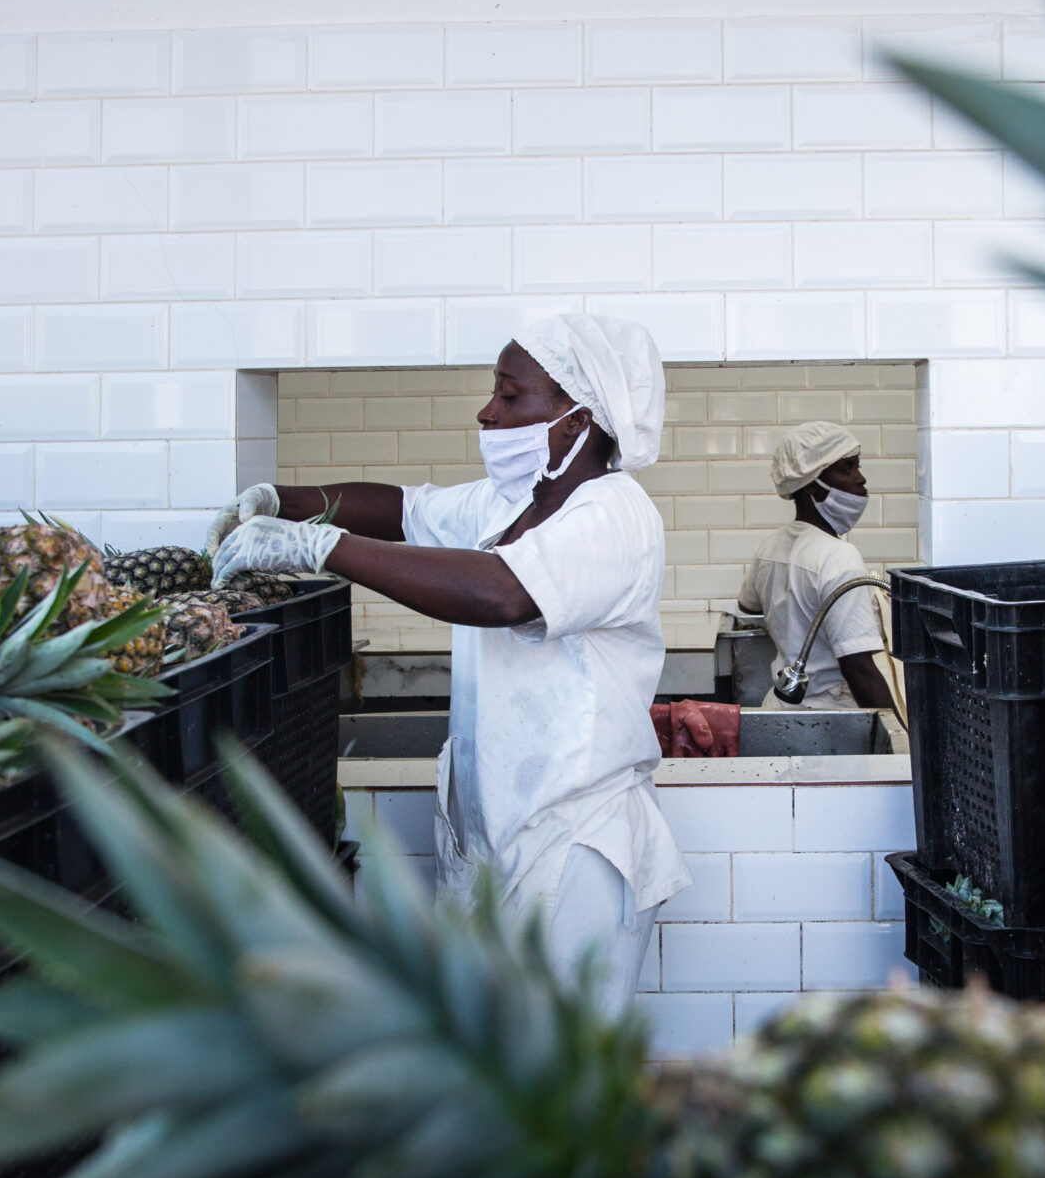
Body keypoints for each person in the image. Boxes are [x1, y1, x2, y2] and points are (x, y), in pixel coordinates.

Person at [207, 314, 688, 1015]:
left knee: (555, 1086)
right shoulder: (508, 502)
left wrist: (321, 548)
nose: (487, 411)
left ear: (575, 421)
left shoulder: (615, 515)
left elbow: (502, 592)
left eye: (510, 396)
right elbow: (402, 510)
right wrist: (285, 503)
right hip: (499, 837)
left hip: (573, 846)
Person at [737, 420, 895, 711]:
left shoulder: (771, 546)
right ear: (812, 484)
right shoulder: (839, 557)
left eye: (857, 466)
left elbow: (748, 607)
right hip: (830, 719)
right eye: (846, 469)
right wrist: (899, 742)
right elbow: (859, 669)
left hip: (781, 709)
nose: (860, 479)